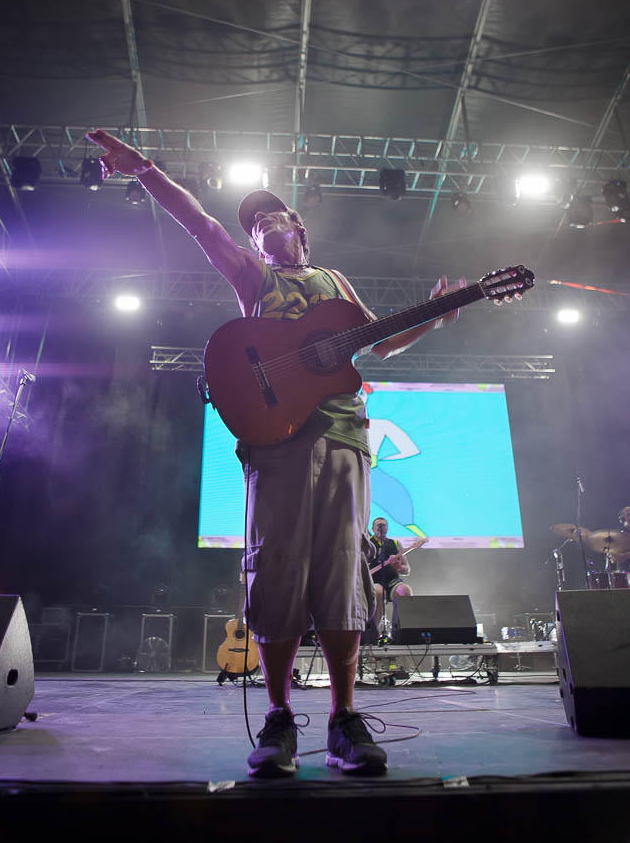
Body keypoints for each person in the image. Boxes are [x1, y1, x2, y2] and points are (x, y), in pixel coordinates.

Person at [85, 129, 463, 778]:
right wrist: (143, 169)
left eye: (271, 216)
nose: (261, 224)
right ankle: (280, 718)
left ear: (298, 226)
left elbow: (378, 342)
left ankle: (344, 719)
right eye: (254, 224)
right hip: (275, 438)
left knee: (342, 571)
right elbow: (201, 225)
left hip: (343, 435)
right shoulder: (252, 275)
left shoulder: (333, 280)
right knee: (275, 569)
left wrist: (434, 314)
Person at [368, 517, 418, 639]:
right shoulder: (367, 544)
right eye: (378, 525)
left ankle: (400, 632)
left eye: (384, 525)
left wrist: (399, 567)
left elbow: (407, 570)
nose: (381, 527)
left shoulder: (395, 544)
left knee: (405, 590)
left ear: (387, 528)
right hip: (373, 581)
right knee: (378, 591)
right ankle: (374, 633)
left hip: (392, 581)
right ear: (373, 529)